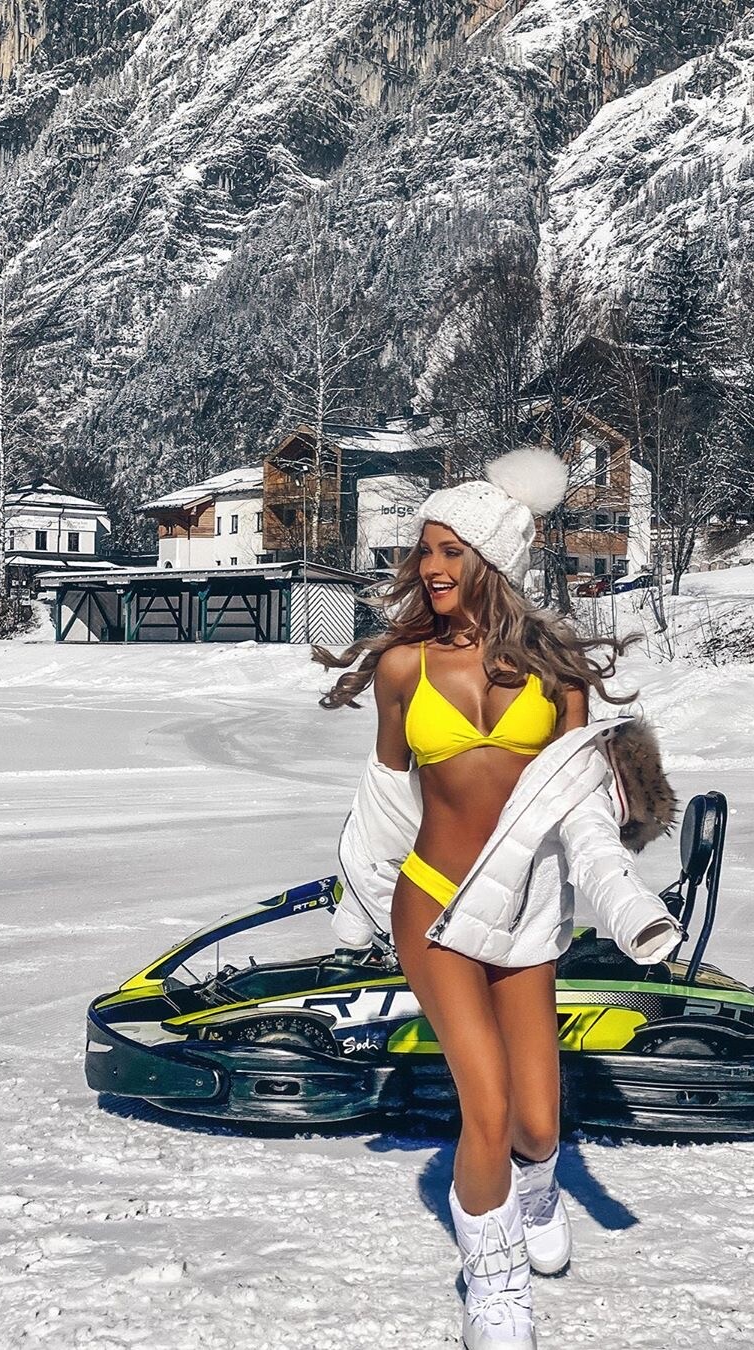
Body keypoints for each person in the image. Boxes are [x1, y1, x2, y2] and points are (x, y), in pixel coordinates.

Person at [313, 446, 684, 1349]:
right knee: (483, 1108)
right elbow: (386, 796)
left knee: (536, 1123)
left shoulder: (559, 673)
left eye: (451, 551)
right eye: (425, 549)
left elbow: (581, 809)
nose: (432, 567)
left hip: (524, 907)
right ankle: (496, 1289)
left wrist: (622, 894)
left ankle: (540, 1189)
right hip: (432, 904)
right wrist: (358, 901)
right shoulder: (402, 667)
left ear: (493, 559)